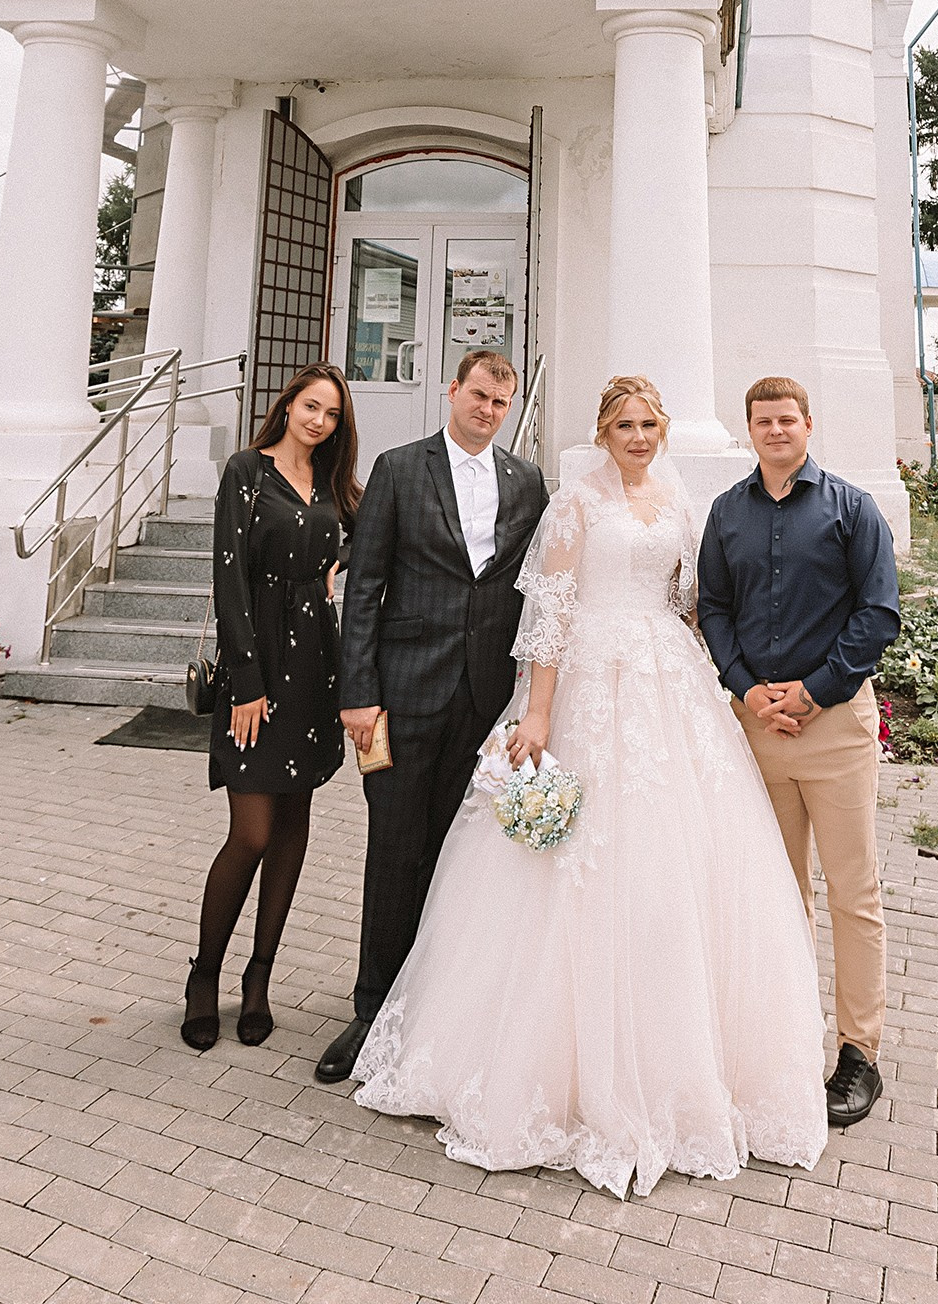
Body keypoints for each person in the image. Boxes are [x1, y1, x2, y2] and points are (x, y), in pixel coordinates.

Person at [349, 375, 829, 1197]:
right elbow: (551, 613)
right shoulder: (574, 503)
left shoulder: (679, 501)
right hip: (586, 687)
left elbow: (690, 606)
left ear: (663, 430)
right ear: (602, 432)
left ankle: (690, 1059)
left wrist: (727, 685)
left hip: (667, 682)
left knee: (679, 864)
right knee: (568, 862)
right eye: (624, 425)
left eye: (649, 424)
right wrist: (538, 714)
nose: (638, 437)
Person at [314, 348, 549, 1084]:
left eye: (501, 403)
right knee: (395, 849)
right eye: (478, 396)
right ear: (453, 390)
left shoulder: (527, 481)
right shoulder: (398, 469)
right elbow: (366, 586)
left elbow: (538, 588)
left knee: (455, 857)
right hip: (402, 692)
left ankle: (432, 1005)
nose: (488, 411)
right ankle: (370, 1010)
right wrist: (357, 692)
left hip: (483, 699)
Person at [696, 375, 901, 1131]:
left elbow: (878, 613)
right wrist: (747, 689)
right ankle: (783, 1040)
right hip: (757, 730)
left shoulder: (853, 508)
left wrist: (814, 692)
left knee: (852, 893)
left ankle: (858, 1052)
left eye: (787, 419)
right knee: (777, 895)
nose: (776, 431)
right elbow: (714, 609)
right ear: (749, 429)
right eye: (763, 421)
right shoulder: (726, 512)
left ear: (808, 425)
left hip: (834, 725)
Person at [181, 363, 360, 1053]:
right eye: (311, 407)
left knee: (292, 829)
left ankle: (259, 979)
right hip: (257, 668)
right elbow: (228, 578)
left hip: (316, 666)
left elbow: (371, 537)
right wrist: (247, 682)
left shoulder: (336, 485)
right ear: (288, 406)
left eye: (332, 414)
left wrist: (339, 563)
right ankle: (205, 975)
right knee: (251, 833)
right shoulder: (246, 472)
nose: (319, 421)